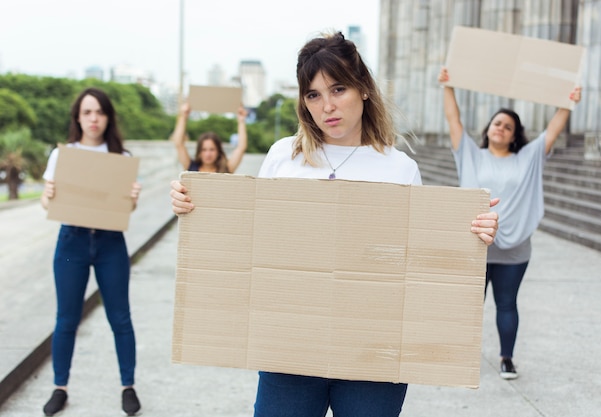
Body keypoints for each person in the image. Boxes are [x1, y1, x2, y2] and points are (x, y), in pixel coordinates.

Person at [170, 32, 499, 417]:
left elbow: (418, 261)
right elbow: (252, 239)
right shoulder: (283, 158)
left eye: (337, 89)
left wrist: (470, 235)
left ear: (362, 89)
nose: (327, 106)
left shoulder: (399, 168)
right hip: (289, 348)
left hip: (372, 354)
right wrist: (194, 208)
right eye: (313, 95)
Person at [437, 67, 582, 380]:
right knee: (470, 306)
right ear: (489, 128)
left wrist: (569, 102)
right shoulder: (470, 154)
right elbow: (454, 120)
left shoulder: (528, 158)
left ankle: (506, 359)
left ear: (515, 135)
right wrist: (448, 86)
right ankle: (460, 356)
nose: (501, 128)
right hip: (476, 243)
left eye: (508, 126)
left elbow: (553, 131)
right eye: (497, 123)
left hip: (515, 247)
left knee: (506, 304)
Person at [40, 87, 142, 416]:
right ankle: (60, 387)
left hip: (110, 242)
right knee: (66, 318)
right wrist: (50, 194)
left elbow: (127, 206)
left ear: (108, 116)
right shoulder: (64, 155)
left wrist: (132, 198)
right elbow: (46, 202)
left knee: (120, 318)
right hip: (72, 240)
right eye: (87, 112)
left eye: (99, 111)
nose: (93, 118)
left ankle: (128, 386)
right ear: (78, 117)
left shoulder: (121, 159)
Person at [171, 102, 248, 173]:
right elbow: (178, 144)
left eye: (212, 149)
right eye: (204, 150)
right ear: (199, 152)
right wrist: (183, 117)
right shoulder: (191, 167)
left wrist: (241, 121)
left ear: (218, 151)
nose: (208, 154)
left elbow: (241, 148)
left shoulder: (226, 169)